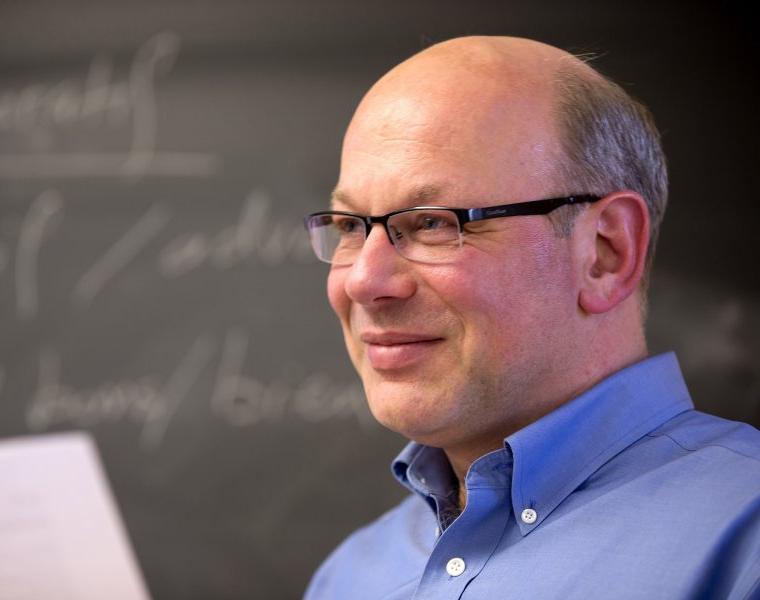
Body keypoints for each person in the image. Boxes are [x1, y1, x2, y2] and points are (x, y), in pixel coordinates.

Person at [301, 36, 760, 599]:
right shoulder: (349, 578)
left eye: (432, 223)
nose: (363, 282)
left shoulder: (744, 542)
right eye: (350, 227)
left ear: (605, 252)